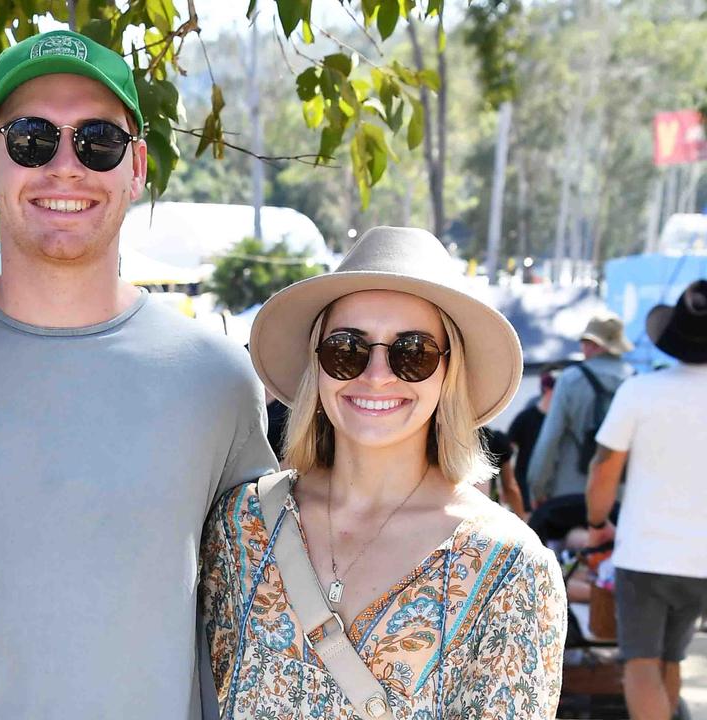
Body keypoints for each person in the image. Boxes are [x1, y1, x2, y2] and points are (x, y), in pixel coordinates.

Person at [0, 30, 277, 719]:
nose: (66, 167)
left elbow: (255, 612)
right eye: (31, 139)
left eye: (97, 141)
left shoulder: (218, 379)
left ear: (136, 168)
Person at [203, 227, 566, 718]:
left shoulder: (510, 567)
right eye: (347, 349)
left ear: (448, 372)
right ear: (318, 364)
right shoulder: (238, 525)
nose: (376, 375)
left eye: (412, 353)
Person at [585, 280, 707, 720]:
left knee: (639, 661)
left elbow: (603, 469)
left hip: (646, 552)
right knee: (671, 659)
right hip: (702, 558)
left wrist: (597, 520)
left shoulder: (640, 393)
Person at [526, 313, 633, 507]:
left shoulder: (570, 379)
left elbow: (550, 438)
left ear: (594, 345)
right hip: (620, 496)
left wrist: (537, 487)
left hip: (571, 493)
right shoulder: (634, 381)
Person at [506, 365, 560, 510]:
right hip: (525, 485)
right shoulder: (525, 417)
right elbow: (507, 448)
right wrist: (507, 483)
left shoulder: (564, 421)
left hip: (554, 487)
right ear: (548, 390)